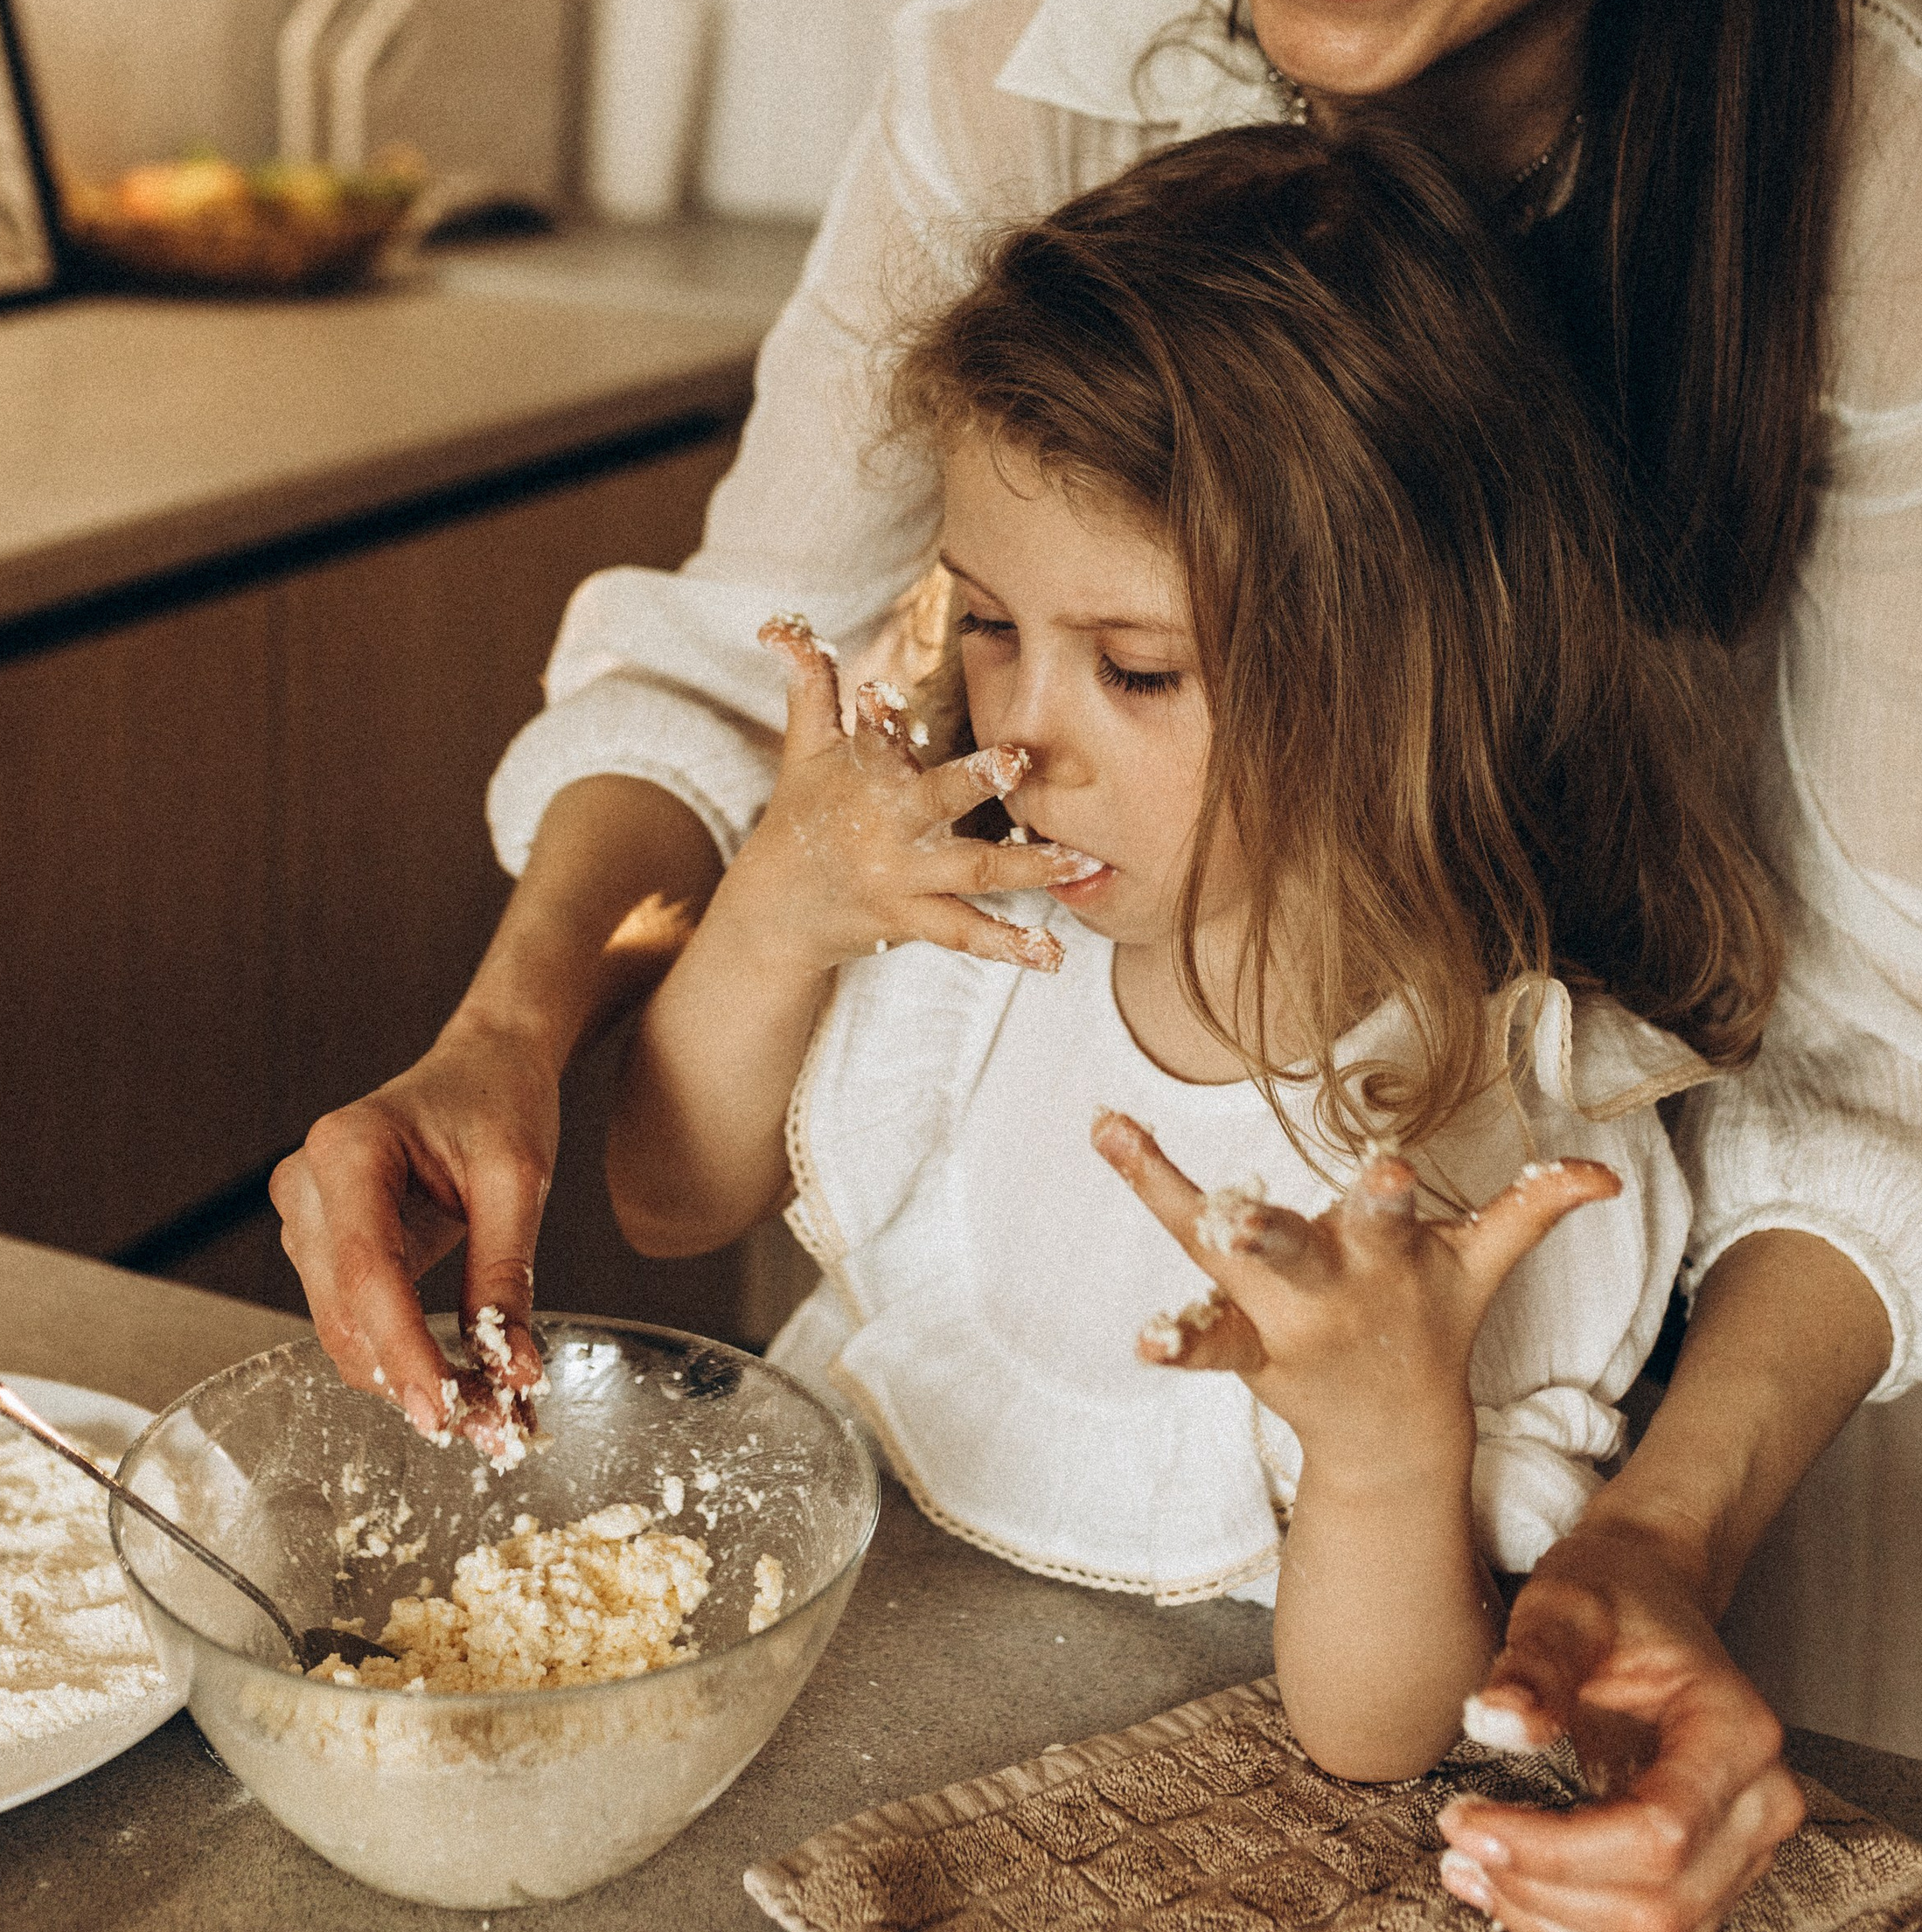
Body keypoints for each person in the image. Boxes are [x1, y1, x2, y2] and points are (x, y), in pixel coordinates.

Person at [273, 0, 1922, 1932]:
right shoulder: (1020, 73)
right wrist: (512, 1022)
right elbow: (742, 675)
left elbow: (1895, 1057)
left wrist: (1644, 1540)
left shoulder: (1877, 194)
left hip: (1678, 1484)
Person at [605, 127, 1783, 1786]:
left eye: (1138, 671)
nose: (1022, 733)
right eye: (993, 626)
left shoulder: (1494, 1130)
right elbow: (664, 1200)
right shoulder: (977, 939)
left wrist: (1383, 1451)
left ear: (1407, 681)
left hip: (1185, 1856)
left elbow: (1375, 1739)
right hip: (835, 1740)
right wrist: (777, 912)